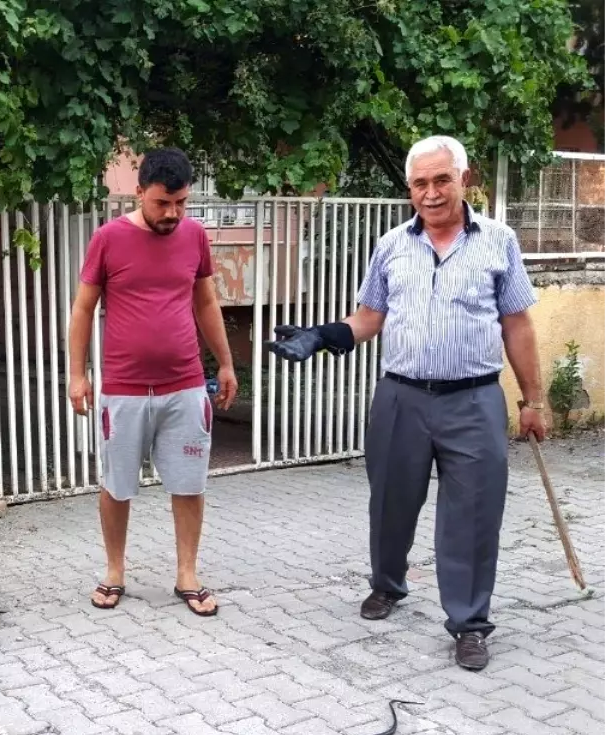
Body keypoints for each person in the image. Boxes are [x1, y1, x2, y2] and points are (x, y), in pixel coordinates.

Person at [268, 135, 547, 671]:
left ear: (464, 179)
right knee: (391, 501)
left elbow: (517, 323)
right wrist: (321, 336)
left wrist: (533, 400)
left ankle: (468, 623)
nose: (432, 192)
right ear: (409, 188)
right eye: (420, 183)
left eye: (442, 179)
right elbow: (369, 317)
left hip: (474, 399)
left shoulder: (499, 241)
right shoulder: (392, 244)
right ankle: (388, 585)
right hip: (401, 397)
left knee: (472, 516)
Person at [68, 147, 238, 617]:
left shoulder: (195, 237)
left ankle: (187, 573)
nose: (173, 213)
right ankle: (114, 570)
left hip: (184, 385)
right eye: (163, 202)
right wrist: (76, 374)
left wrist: (224, 364)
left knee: (188, 482)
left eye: (181, 203)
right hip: (123, 388)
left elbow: (205, 302)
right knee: (117, 484)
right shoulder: (108, 239)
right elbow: (83, 308)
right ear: (139, 192)